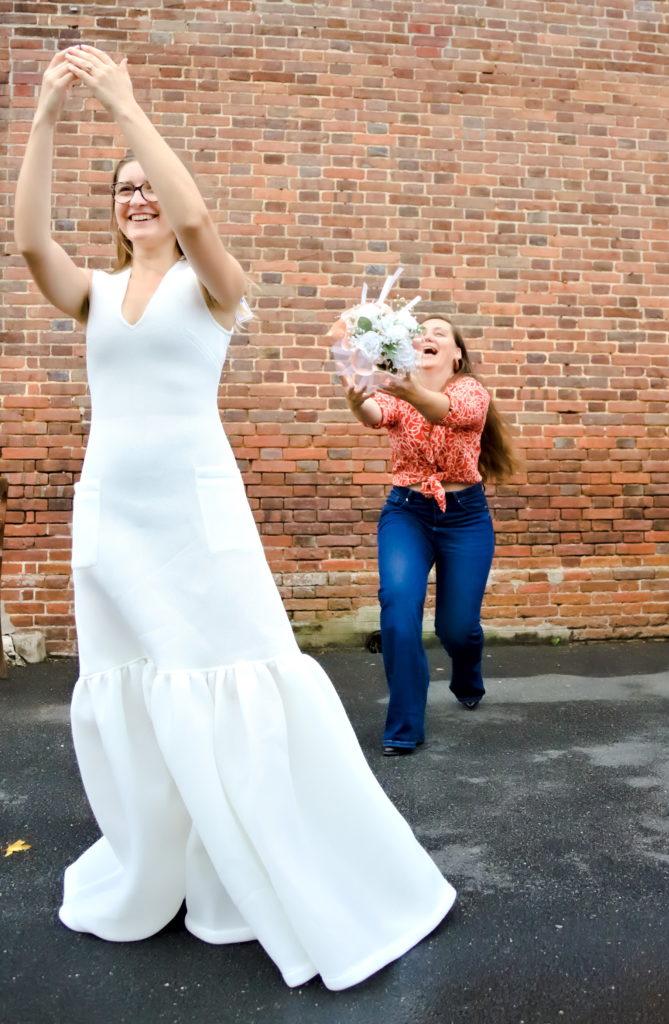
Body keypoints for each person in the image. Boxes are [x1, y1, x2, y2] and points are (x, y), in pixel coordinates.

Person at [14, 46, 456, 990]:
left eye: (148, 187)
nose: (138, 200)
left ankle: (271, 870)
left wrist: (129, 108)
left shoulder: (213, 287)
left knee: (227, 678)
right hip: (111, 517)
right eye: (123, 190)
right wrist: (48, 117)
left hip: (195, 515)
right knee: (132, 697)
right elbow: (28, 248)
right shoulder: (91, 293)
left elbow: (198, 216)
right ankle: (161, 862)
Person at [343, 317, 517, 756]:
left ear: (457, 353)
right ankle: (404, 727)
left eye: (440, 333)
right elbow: (377, 414)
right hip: (407, 513)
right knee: (399, 610)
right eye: (421, 333)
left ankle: (467, 673)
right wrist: (356, 399)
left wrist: (408, 388)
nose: (428, 337)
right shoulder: (398, 390)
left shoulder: (470, 390)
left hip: (465, 518)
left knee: (456, 628)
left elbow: (449, 412)